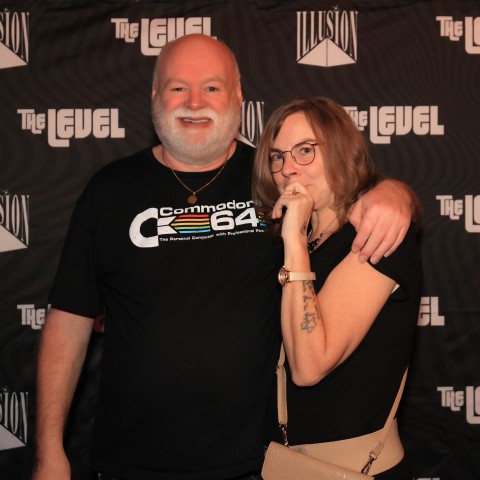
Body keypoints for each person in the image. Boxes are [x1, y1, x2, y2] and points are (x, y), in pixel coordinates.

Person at [32, 34, 418, 480]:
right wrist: (48, 451)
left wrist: (394, 194)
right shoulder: (109, 190)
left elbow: (342, 187)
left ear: (237, 98)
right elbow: (69, 319)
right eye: (178, 87)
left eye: (212, 87)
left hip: (256, 462)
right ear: (155, 94)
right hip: (131, 459)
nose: (195, 101)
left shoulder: (271, 180)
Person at [252, 97, 422, 479]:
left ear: (341, 151)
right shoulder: (298, 244)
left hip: (353, 469)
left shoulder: (373, 236)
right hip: (284, 464)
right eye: (277, 156)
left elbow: (309, 366)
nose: (287, 168)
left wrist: (293, 237)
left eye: (305, 150)